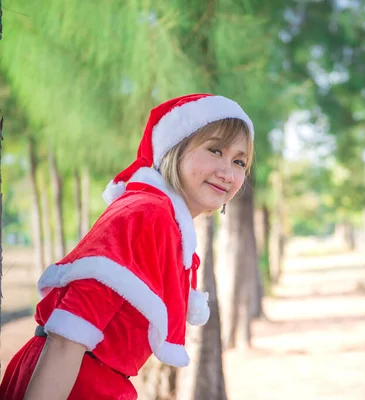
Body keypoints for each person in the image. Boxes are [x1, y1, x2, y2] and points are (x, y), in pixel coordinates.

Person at [0, 93, 255, 400]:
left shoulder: (165, 219)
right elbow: (68, 336)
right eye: (215, 150)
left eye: (239, 161)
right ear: (175, 148)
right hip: (70, 382)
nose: (228, 173)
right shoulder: (148, 214)